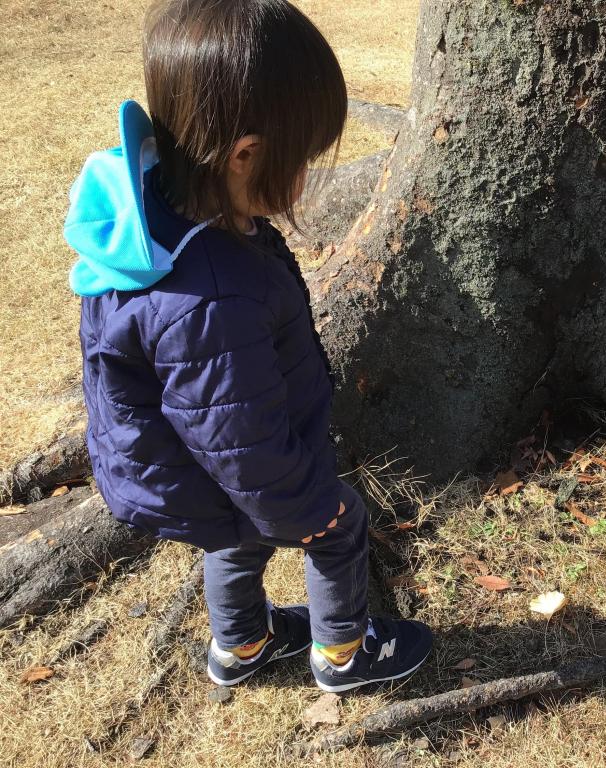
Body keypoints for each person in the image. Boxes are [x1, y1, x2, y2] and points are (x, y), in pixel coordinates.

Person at [63, 0, 432, 690]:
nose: (306, 179)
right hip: (233, 471)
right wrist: (309, 506)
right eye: (302, 162)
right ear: (244, 155)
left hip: (194, 477)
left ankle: (241, 646)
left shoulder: (156, 212)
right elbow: (242, 442)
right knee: (337, 526)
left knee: (235, 537)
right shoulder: (212, 299)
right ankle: (344, 656)